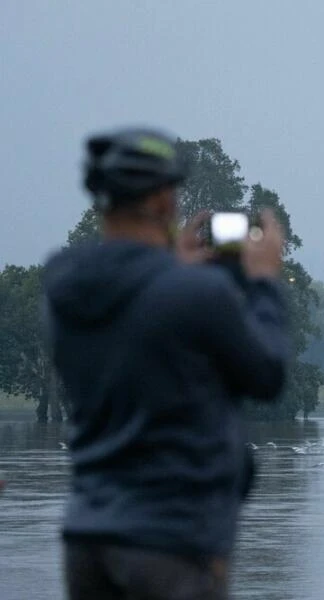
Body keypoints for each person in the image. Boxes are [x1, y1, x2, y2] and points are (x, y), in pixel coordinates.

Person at [42, 127, 290, 599]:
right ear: (160, 200)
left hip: (88, 537)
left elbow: (141, 328)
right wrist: (264, 283)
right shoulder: (197, 294)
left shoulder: (64, 291)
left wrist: (168, 270)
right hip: (173, 540)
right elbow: (267, 373)